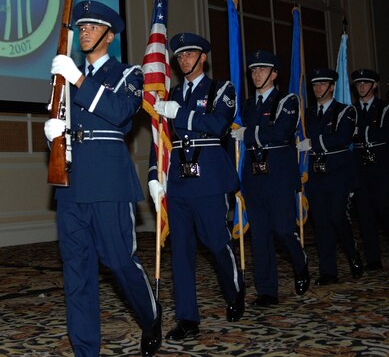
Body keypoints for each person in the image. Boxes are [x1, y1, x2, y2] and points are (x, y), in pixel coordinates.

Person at [43, 0, 161, 357]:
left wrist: (77, 79)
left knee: (119, 261)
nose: (84, 33)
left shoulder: (129, 75)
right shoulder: (64, 76)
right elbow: (56, 114)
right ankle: (85, 349)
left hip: (108, 181)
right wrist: (50, 133)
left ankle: (150, 315)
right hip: (71, 182)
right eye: (81, 28)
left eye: (92, 28)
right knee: (76, 271)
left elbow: (121, 113)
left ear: (109, 36)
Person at [147, 33, 245, 341]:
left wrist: (181, 113)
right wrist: (154, 174)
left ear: (203, 57)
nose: (184, 59)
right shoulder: (172, 92)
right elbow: (160, 139)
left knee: (216, 243)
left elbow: (217, 124)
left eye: (190, 54)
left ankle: (234, 290)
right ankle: (187, 318)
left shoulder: (221, 89)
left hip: (210, 181)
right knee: (182, 253)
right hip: (178, 182)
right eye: (180, 56)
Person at [230, 49, 309, 306]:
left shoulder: (287, 101)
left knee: (284, 229)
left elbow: (280, 133)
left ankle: (300, 261)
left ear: (274, 74)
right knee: (261, 235)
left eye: (262, 70)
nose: (256, 74)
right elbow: (260, 132)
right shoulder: (248, 104)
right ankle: (267, 290)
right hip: (254, 176)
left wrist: (249, 134)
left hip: (278, 175)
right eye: (253, 70)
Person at [298, 68, 364, 285]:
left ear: (332, 86)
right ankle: (329, 272)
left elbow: (342, 138)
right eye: (315, 85)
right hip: (317, 174)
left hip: (338, 173)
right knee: (321, 223)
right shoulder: (308, 113)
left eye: (322, 84)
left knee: (337, 217)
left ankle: (352, 254)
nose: (318, 88)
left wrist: (314, 143)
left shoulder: (345, 111)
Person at [350, 68, 389, 270]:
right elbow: (351, 135)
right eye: (358, 84)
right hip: (360, 166)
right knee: (364, 213)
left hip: (381, 165)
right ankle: (373, 258)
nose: (362, 87)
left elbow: (384, 134)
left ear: (374, 85)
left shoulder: (386, 107)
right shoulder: (352, 110)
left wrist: (360, 132)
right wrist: (366, 133)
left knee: (383, 208)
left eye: (366, 83)